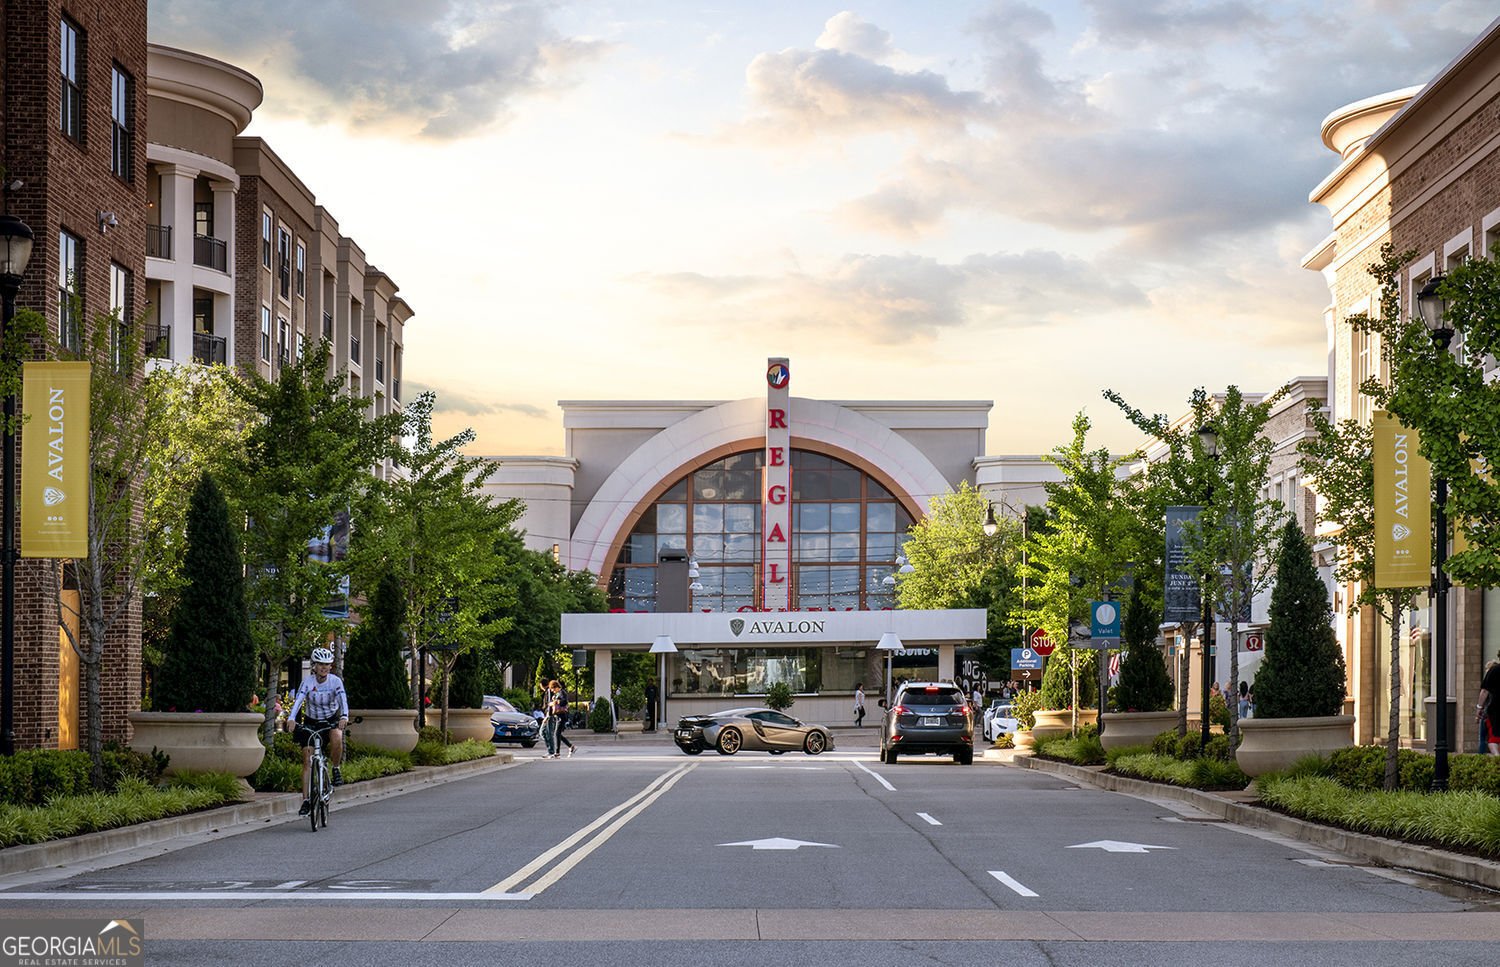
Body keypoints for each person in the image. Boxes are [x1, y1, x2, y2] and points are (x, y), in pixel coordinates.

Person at [284, 647, 349, 816]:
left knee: (337, 736)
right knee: (307, 760)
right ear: (314, 666)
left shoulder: (335, 681)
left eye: (327, 665)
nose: (324, 668)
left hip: (331, 718)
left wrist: (344, 716)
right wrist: (291, 718)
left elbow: (343, 699)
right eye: (321, 664)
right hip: (312, 721)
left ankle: (335, 768)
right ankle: (306, 801)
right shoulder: (308, 682)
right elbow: (299, 700)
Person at [1476, 658, 1500, 754]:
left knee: (1492, 739)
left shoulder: (1494, 671)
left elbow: (1484, 691)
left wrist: (1479, 708)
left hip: (1494, 710)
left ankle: (1497, 759)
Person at [550, 681, 576, 758]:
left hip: (562, 715)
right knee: (557, 734)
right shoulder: (557, 694)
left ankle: (557, 753)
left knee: (556, 733)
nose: (552, 691)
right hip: (558, 715)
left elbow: (564, 702)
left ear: (556, 687)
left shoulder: (562, 692)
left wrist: (556, 702)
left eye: (553, 689)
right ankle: (571, 746)